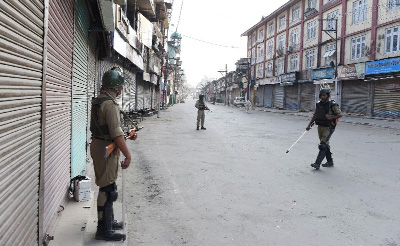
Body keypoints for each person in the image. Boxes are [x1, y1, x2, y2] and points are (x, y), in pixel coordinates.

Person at [90, 67, 135, 241]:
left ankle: (109, 221)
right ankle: (103, 230)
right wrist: (128, 155)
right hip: (105, 148)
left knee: (110, 186)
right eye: (120, 86)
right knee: (107, 190)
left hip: (102, 145)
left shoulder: (100, 100)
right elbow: (116, 134)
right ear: (116, 87)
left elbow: (111, 131)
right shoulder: (109, 104)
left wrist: (126, 136)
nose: (122, 89)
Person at [306, 88, 342, 169]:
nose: (322, 97)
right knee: (325, 145)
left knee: (323, 145)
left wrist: (330, 117)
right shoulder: (319, 104)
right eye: (321, 95)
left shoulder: (332, 105)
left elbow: (340, 114)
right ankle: (330, 162)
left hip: (328, 127)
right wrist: (309, 125)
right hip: (320, 126)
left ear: (327, 96)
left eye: (324, 95)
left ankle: (317, 163)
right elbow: (315, 115)